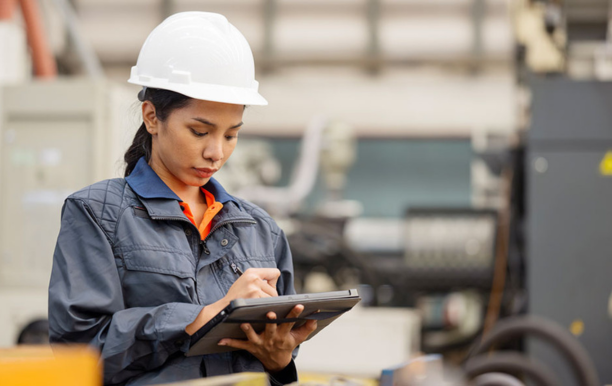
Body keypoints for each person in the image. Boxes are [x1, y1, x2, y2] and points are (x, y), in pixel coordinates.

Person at [48, 12, 316, 386]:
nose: (216, 152)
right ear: (152, 117)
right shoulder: (97, 214)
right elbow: (78, 355)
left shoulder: (260, 231)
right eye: (200, 131)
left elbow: (278, 364)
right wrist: (200, 318)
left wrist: (279, 362)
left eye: (231, 135)